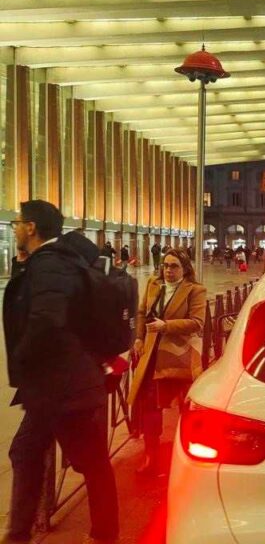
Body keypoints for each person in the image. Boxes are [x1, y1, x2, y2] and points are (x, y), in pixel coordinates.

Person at [2, 200, 119, 543]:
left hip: (60, 387)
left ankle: (23, 535)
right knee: (39, 454)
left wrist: (23, 357)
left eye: (18, 223)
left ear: (32, 228)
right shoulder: (54, 262)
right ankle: (24, 533)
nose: (16, 228)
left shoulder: (51, 264)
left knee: (82, 461)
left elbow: (48, 320)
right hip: (66, 383)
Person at [129, 247, 206, 475]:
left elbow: (197, 322)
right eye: (165, 265)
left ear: (184, 268)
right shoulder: (154, 284)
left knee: (185, 405)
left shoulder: (195, 290)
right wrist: (139, 338)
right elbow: (142, 313)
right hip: (152, 354)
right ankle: (152, 456)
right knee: (149, 405)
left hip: (178, 355)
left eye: (174, 266)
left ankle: (189, 454)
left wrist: (167, 326)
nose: (168, 270)